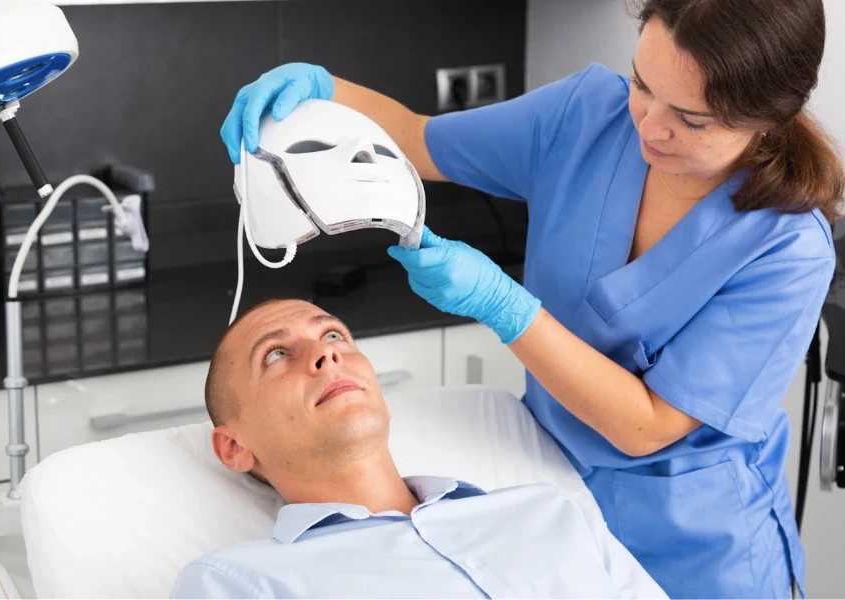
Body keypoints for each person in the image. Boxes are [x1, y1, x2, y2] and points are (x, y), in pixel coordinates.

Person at [218, 1, 845, 597]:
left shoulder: (787, 249)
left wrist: (502, 303)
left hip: (696, 549)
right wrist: (321, 90)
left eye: (692, 119)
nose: (648, 125)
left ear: (768, 116)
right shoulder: (586, 115)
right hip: (547, 508)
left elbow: (646, 426)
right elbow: (415, 137)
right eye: (642, 83)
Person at [170, 298, 667, 599]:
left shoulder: (548, 511)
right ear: (234, 447)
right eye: (276, 354)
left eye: (334, 334)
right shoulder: (237, 584)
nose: (327, 353)